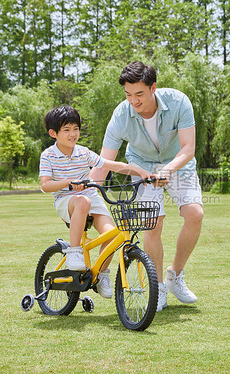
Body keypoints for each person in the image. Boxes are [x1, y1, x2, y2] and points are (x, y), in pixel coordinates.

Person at [90, 61, 204, 312]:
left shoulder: (178, 102)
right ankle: (159, 287)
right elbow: (104, 161)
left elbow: (188, 148)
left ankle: (176, 275)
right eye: (128, 95)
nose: (134, 101)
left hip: (178, 162)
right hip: (141, 166)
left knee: (195, 214)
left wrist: (168, 169)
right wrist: (89, 190)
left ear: (153, 88)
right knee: (154, 223)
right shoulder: (121, 115)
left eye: (139, 94)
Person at [39, 105, 152, 299]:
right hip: (66, 200)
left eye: (76, 129)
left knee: (111, 235)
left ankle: (101, 275)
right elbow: (46, 185)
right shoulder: (48, 155)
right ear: (53, 133)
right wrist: (69, 183)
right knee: (82, 201)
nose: (73, 134)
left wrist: (140, 172)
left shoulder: (83, 153)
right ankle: (74, 251)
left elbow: (112, 165)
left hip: (92, 197)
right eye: (66, 130)